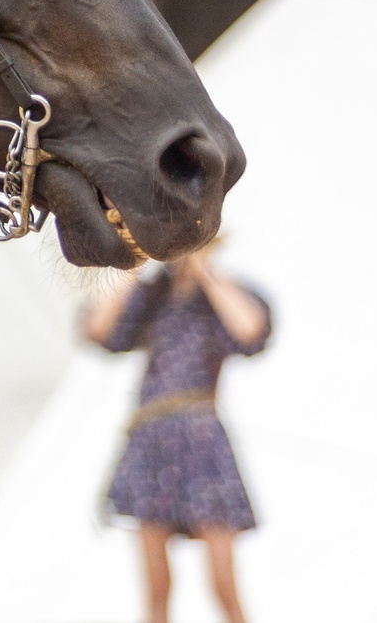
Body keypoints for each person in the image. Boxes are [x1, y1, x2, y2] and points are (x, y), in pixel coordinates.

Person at [85, 244, 272, 623]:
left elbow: (250, 328)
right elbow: (98, 329)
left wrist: (205, 270)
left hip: (200, 435)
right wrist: (132, 265)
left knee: (223, 584)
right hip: (151, 434)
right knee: (157, 587)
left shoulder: (219, 296)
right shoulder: (153, 298)